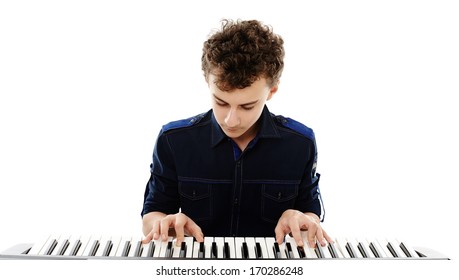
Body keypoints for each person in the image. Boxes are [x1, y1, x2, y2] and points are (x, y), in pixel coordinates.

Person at [141, 19, 332, 249]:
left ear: (272, 91)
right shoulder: (173, 140)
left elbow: (312, 213)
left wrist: (303, 220)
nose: (230, 120)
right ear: (207, 82)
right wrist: (164, 223)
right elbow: (152, 214)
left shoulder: (301, 143)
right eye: (221, 101)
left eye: (247, 106)